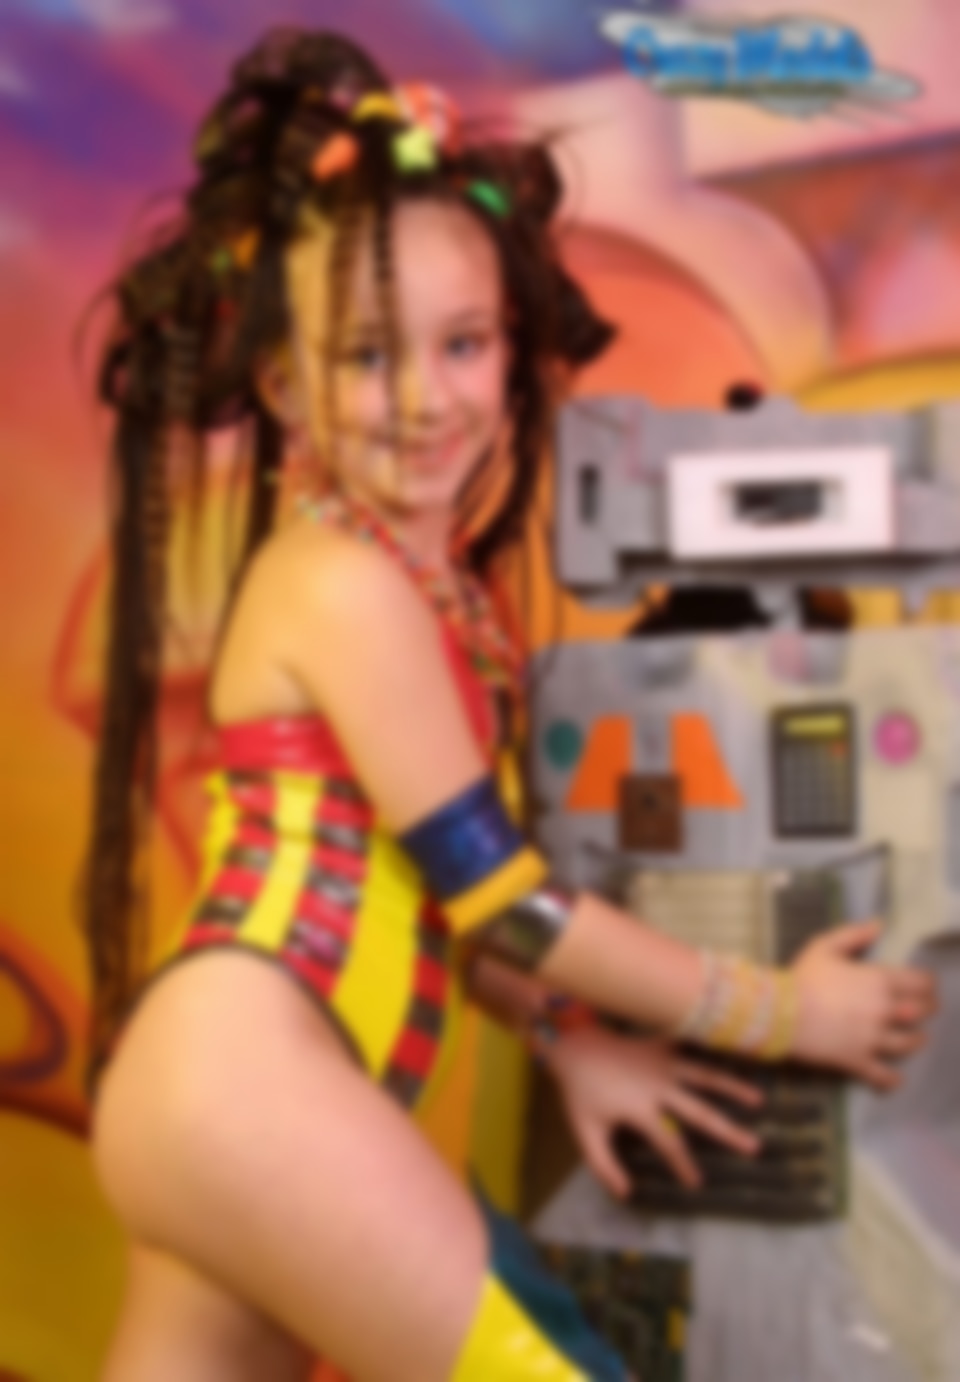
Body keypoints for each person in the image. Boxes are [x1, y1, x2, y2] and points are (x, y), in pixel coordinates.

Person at [83, 28, 936, 1381]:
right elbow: (509, 904)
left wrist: (564, 1039)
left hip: (229, 1096)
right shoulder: (341, 582)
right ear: (287, 385)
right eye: (369, 357)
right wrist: (786, 1013)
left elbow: (421, 898)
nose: (425, 400)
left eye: (464, 344)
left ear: (511, 347)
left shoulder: (423, 587)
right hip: (248, 1087)